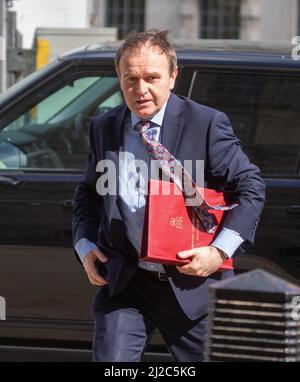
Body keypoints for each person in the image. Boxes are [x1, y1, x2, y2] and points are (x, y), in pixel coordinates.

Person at [72, 29, 265, 362]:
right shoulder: (104, 127)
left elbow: (251, 187)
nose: (141, 90)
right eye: (130, 79)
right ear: (119, 78)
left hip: (194, 286)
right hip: (127, 282)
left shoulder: (205, 124)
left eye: (151, 77)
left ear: (173, 76)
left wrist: (219, 252)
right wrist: (85, 245)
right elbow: (89, 193)